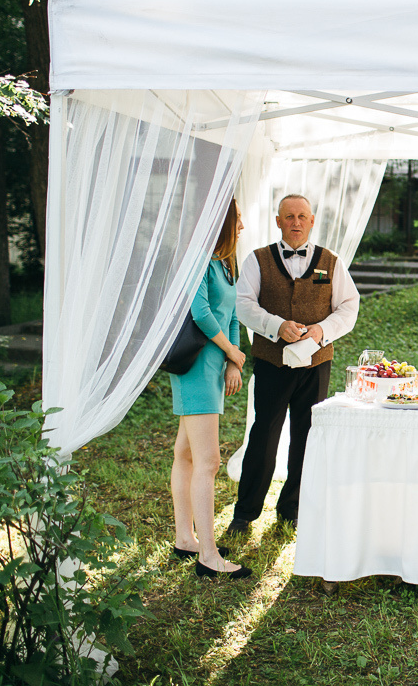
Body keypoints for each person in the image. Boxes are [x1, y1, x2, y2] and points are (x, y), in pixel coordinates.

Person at [229, 193, 360, 533]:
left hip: (316, 365)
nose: (296, 222)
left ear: (312, 221)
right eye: (289, 216)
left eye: (302, 216)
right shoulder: (257, 260)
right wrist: (276, 326)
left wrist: (320, 331)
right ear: (278, 221)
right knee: (263, 436)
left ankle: (293, 509)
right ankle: (244, 514)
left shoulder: (330, 262)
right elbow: (242, 304)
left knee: (307, 436)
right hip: (272, 362)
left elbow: (348, 306)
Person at [169, 198, 252, 579]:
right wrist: (231, 350)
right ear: (221, 223)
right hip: (196, 367)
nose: (242, 226)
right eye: (237, 219)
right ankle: (207, 555)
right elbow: (201, 313)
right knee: (209, 462)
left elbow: (232, 315)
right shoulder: (199, 260)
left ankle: (185, 538)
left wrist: (235, 360)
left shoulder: (225, 264)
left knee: (185, 454)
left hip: (216, 364)